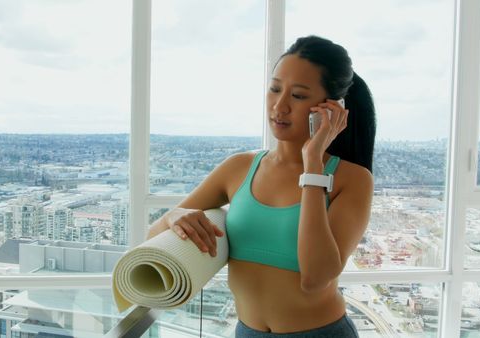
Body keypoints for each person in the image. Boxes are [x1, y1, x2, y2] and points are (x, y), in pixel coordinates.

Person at [147, 35, 376, 337]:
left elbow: (316, 278)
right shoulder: (238, 168)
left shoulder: (352, 179)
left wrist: (313, 166)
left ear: (331, 108)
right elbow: (151, 238)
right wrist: (175, 216)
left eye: (298, 96)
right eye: (275, 88)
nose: (279, 106)